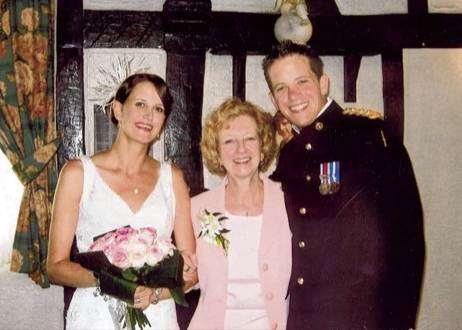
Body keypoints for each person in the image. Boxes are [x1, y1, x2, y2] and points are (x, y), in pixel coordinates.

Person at [262, 41, 425, 329]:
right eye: (281, 88)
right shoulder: (290, 154)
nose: (293, 95)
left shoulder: (368, 136)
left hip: (362, 317)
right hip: (306, 318)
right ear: (273, 99)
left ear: (323, 83)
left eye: (302, 81)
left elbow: (406, 237)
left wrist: (400, 321)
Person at [47, 73, 197, 330]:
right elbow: (55, 266)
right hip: (95, 316)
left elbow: (190, 274)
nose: (149, 115)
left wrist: (153, 293)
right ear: (118, 109)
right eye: (140, 104)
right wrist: (116, 282)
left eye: (158, 109)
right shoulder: (78, 174)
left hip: (156, 316)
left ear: (163, 122)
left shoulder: (172, 178)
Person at [188, 98, 292, 330]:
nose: (241, 150)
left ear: (263, 143)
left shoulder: (287, 202)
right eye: (229, 142)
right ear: (217, 150)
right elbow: (189, 277)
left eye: (249, 139)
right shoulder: (198, 209)